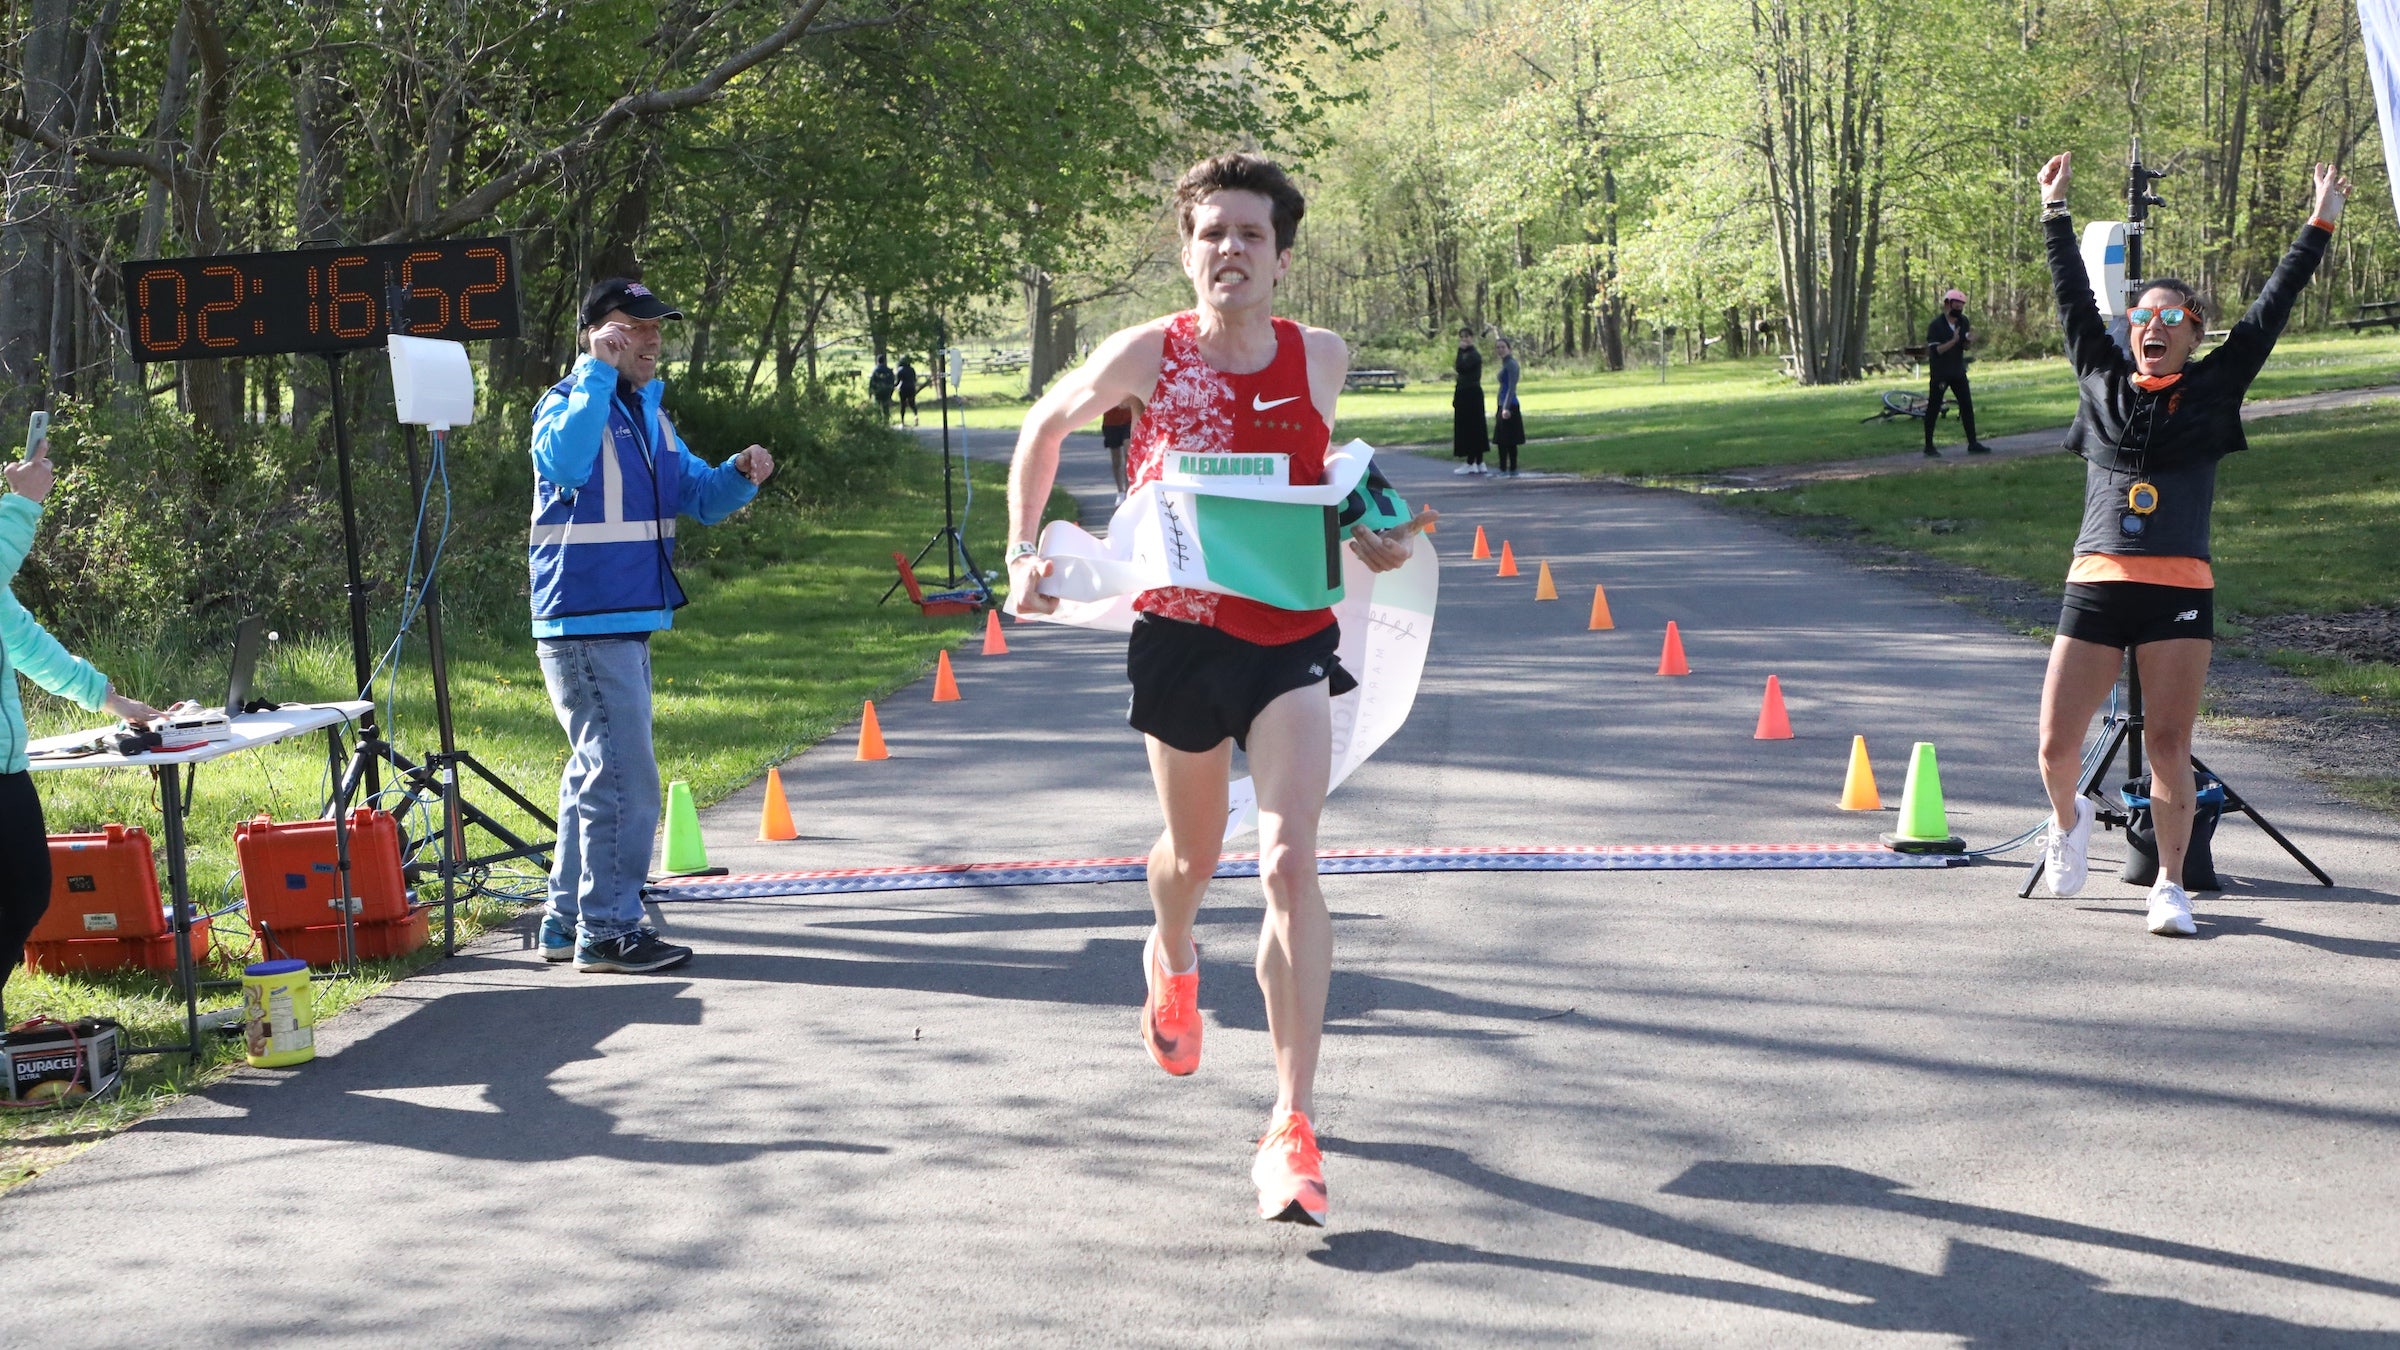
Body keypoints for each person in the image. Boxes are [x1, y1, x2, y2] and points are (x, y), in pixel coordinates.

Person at [1004, 153, 1434, 1226]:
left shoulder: (1318, 357)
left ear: (1283, 256)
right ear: (1187, 251)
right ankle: (1174, 950)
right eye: (1211, 234)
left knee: (1288, 860)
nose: (1229, 251)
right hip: (1179, 639)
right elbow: (1045, 426)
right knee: (1193, 860)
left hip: (1288, 635)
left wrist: (1377, 533)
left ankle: (1292, 1123)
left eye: (1250, 234)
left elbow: (1331, 478)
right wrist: (1023, 552)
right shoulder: (1150, 352)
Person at [2030, 152, 2348, 937]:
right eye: (2145, 318)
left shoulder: (2213, 389)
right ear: (2129, 330)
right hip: (2097, 582)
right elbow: (2072, 297)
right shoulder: (2102, 382)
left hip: (2178, 589)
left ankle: (2168, 884)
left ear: (2195, 335)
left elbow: (2272, 309)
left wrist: (2320, 222)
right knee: (2052, 747)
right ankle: (2067, 824)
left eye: (2173, 320)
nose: (2155, 329)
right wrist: (2055, 211)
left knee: (2171, 741)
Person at [529, 278, 775, 973]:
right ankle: (608, 932)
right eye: (635, 326)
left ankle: (567, 921)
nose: (652, 338)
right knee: (625, 780)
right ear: (599, 334)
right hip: (585, 616)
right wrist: (593, 373)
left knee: (595, 776)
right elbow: (565, 462)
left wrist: (739, 474)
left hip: (625, 617)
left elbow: (698, 496)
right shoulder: (570, 401)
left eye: (657, 326)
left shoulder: (649, 417)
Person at [0, 433, 160, 1027]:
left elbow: (28, 644)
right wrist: (22, 503)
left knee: (26, 894)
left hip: (6, 770)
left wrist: (111, 699)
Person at [1923, 289, 1990, 457]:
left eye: (1961, 306)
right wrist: (1952, 341)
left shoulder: (1963, 322)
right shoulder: (1936, 325)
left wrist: (1967, 342)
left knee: (1966, 405)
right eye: (1956, 305)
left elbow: (1964, 347)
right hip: (1941, 372)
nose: (1959, 309)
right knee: (1934, 407)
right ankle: (1929, 445)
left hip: (1958, 370)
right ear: (1947, 304)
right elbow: (1935, 350)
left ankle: (1973, 443)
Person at [1452, 328, 1489, 475]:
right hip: (1464, 393)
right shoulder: (1467, 354)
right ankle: (1477, 461)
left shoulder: (1473, 355)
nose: (1464, 340)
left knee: (1474, 427)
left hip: (1471, 393)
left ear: (1471, 338)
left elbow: (1461, 368)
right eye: (1462, 337)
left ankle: (1472, 461)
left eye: (1466, 337)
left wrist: (1460, 352)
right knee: (1470, 427)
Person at [1492, 336, 1524, 477]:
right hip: (1502, 403)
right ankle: (1504, 468)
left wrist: (1505, 408)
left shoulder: (1511, 364)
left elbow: (1512, 387)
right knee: (1502, 440)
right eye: (1498, 347)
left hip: (1509, 405)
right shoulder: (1505, 363)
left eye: (1503, 347)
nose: (1500, 350)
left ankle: (1510, 468)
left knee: (1508, 440)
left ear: (1509, 349)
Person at [1099, 396, 1137, 501]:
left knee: (1128, 453)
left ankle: (1129, 489)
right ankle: (1120, 492)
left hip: (1128, 421)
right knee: (1117, 460)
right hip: (1111, 423)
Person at [868, 357, 897, 423]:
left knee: (877, 407)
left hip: (878, 392)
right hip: (886, 391)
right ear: (884, 361)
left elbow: (872, 383)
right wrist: (891, 393)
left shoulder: (875, 371)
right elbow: (892, 382)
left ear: (878, 361)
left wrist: (870, 393)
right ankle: (886, 422)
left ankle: (878, 421)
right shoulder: (889, 371)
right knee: (886, 408)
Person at [895, 357, 921, 426]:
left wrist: (894, 386)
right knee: (912, 403)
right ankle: (915, 416)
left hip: (903, 388)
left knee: (903, 405)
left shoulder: (900, 370)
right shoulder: (912, 369)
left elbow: (897, 382)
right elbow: (915, 380)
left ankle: (902, 421)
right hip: (911, 388)